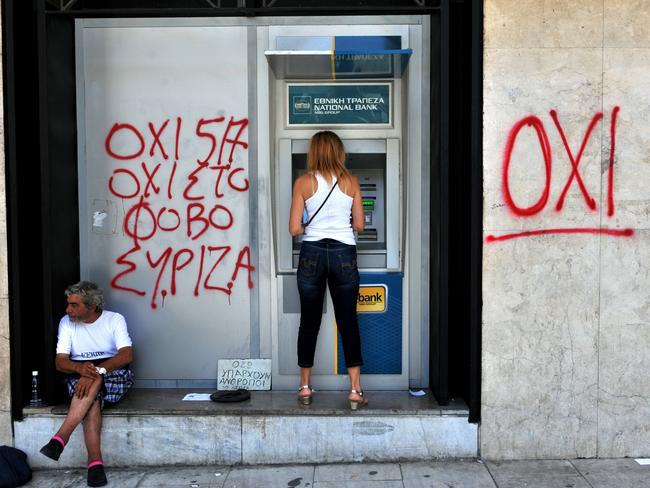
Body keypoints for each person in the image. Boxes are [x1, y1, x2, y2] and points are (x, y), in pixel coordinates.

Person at [289, 130, 367, 410]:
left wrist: (313, 226)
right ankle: (355, 391)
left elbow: (294, 229)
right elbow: (359, 225)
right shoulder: (352, 182)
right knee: (348, 322)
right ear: (338, 152)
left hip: (312, 254)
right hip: (344, 253)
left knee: (309, 322)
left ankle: (305, 387)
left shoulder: (303, 182)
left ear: (314, 152)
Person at [39, 281, 133, 487]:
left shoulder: (114, 319)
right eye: (68, 304)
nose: (68, 309)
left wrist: (95, 371)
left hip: (113, 374)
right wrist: (82, 370)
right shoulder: (67, 322)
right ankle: (95, 465)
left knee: (95, 379)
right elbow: (60, 361)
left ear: (92, 306)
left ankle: (61, 438)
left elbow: (126, 355)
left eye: (74, 305)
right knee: (92, 402)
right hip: (80, 378)